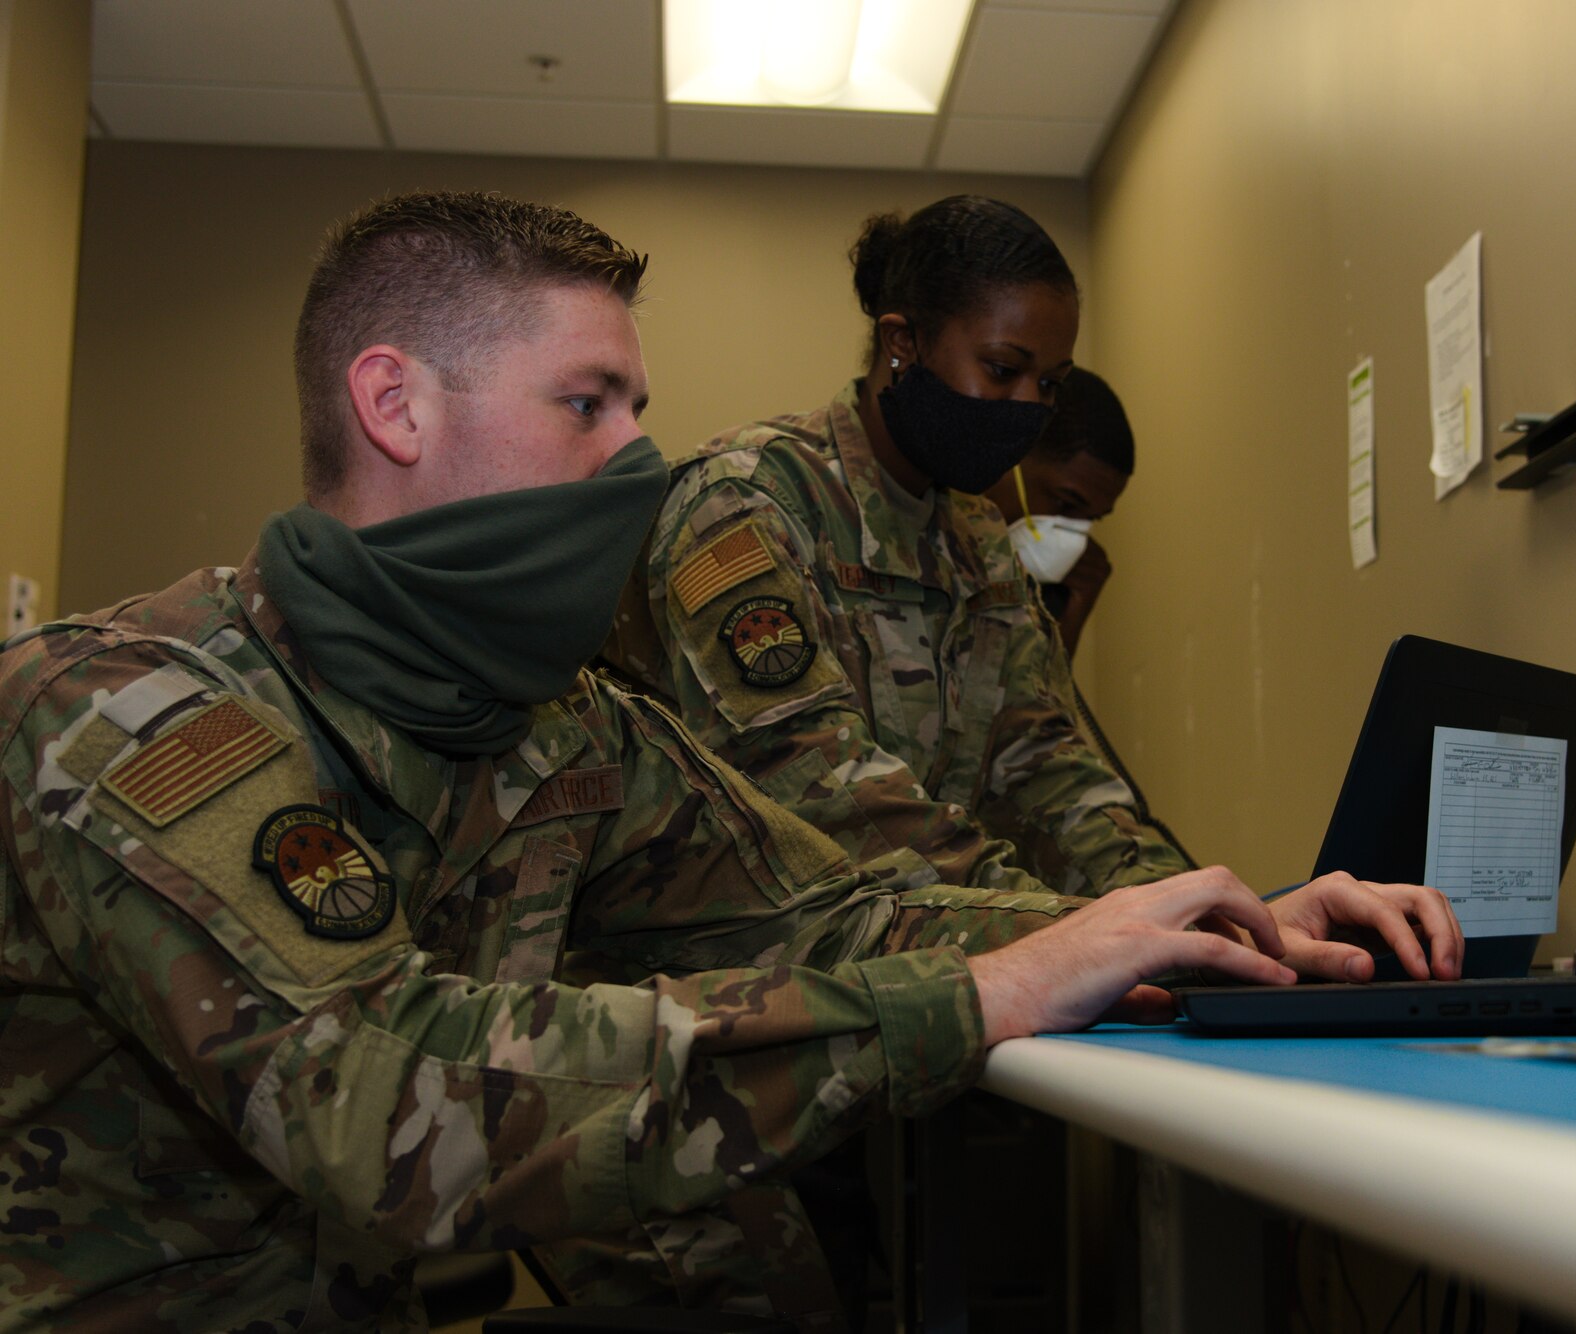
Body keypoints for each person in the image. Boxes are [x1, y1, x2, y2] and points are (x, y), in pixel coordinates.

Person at [0, 191, 1464, 1332]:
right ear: (396, 405)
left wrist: (1215, 925)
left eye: (639, 404)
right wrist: (977, 995)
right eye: (591, 404)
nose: (642, 455)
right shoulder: (122, 711)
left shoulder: (559, 720)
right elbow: (387, 1110)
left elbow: (828, 904)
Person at [604, 196, 1178, 900]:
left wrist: (1171, 904)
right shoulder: (746, 499)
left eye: (1050, 384)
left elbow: (1044, 768)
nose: (1029, 405)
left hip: (925, 948)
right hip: (743, 975)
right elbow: (803, 776)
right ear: (902, 342)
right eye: (1002, 369)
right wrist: (1042, 919)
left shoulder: (980, 540)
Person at [983, 367, 1132, 655]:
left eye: (1092, 518)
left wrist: (1075, 608)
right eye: (1066, 503)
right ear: (1013, 455)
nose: (1074, 534)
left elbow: (1040, 697)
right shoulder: (923, 537)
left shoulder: (1043, 591)